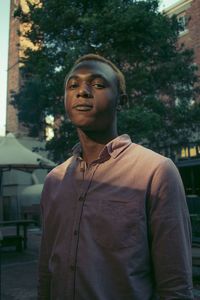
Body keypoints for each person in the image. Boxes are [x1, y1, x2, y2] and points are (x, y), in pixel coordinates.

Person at [38, 54, 193, 300]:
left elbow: (175, 287)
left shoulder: (155, 172)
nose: (83, 92)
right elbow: (46, 272)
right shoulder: (53, 181)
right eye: (73, 85)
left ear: (122, 101)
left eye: (98, 85)